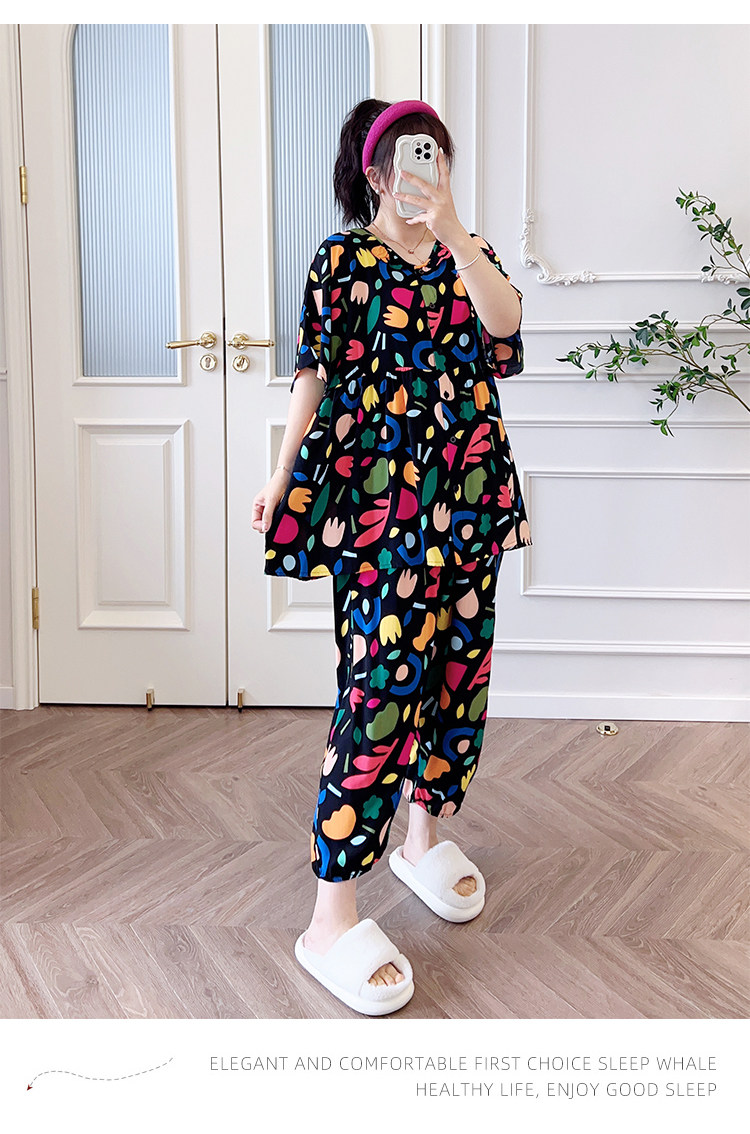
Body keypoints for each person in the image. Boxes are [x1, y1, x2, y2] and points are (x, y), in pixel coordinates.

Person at [252, 98, 531, 1016]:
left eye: (436, 156)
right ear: (375, 174)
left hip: (471, 500)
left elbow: (504, 334)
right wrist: (281, 474)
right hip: (379, 511)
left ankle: (422, 838)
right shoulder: (342, 259)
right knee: (377, 696)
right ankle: (329, 917)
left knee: (456, 678)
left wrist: (452, 230)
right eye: (410, 158)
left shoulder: (468, 253)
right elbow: (315, 371)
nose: (424, 170)